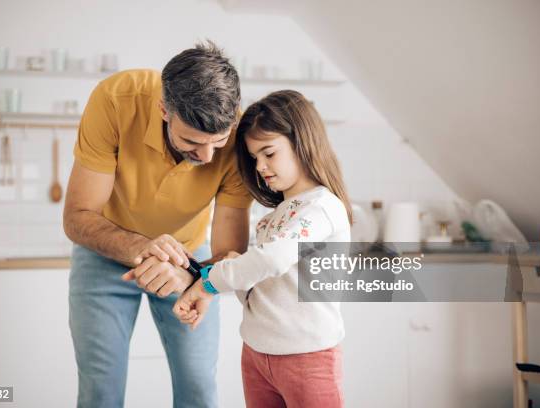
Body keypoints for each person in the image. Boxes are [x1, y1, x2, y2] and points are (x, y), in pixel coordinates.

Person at [64, 41, 252, 408]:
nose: (207, 156)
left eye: (219, 141)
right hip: (105, 255)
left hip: (190, 261)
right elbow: (77, 216)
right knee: (100, 390)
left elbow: (230, 253)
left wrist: (191, 277)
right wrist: (139, 248)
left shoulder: (240, 138)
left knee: (200, 387)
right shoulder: (116, 99)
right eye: (192, 142)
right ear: (164, 109)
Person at [173, 90, 353, 408]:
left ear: (301, 142)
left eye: (269, 153)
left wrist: (209, 282)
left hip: (307, 358)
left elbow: (272, 259)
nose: (261, 166)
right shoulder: (271, 220)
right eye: (255, 157)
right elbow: (259, 289)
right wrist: (223, 275)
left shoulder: (321, 207)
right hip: (256, 355)